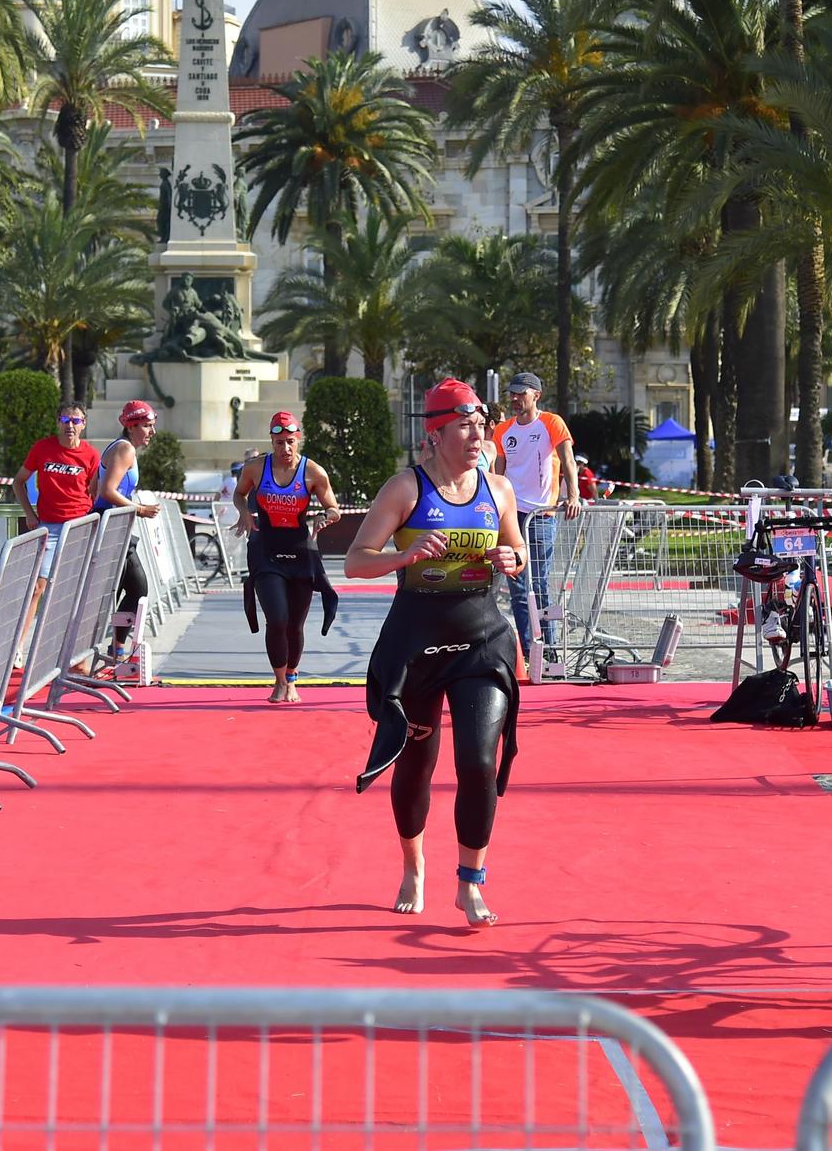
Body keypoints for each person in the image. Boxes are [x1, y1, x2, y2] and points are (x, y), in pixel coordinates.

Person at [347, 379, 527, 929]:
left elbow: (517, 548)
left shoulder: (498, 490)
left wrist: (510, 558)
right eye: (466, 426)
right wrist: (405, 557)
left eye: (481, 425)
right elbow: (356, 561)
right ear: (437, 432)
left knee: (478, 762)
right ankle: (413, 863)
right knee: (417, 765)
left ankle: (470, 882)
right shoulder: (406, 488)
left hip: (481, 638)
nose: (478, 435)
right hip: (417, 642)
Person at [235, 410, 342, 703]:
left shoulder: (313, 472)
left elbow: (334, 507)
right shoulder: (256, 468)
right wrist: (244, 512)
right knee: (277, 618)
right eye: (279, 442)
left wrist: (324, 516)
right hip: (265, 550)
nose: (285, 448)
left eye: (290, 442)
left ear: (299, 440)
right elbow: (239, 493)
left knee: (295, 624)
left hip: (300, 552)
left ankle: (292, 678)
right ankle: (279, 680)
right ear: (272, 441)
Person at [491, 372, 579, 660]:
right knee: (517, 584)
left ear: (536, 395)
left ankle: (550, 649)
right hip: (512, 514)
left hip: (541, 515)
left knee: (539, 583)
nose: (515, 399)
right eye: (512, 394)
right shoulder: (503, 430)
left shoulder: (551, 423)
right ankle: (529, 651)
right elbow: (498, 474)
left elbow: (568, 461)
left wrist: (573, 496)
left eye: (521, 393)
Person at [92, 401, 163, 663]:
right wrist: (139, 508)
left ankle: (117, 648)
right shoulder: (124, 449)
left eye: (152, 426)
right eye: (147, 426)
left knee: (137, 587)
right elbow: (107, 490)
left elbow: (94, 486)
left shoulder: (121, 447)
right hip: (110, 527)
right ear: (131, 426)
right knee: (117, 591)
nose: (152, 432)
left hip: (117, 527)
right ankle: (102, 650)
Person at [16, 403, 101, 587]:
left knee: (73, 585)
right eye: (65, 420)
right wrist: (29, 514)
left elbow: (97, 491)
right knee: (38, 585)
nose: (70, 425)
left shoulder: (92, 455)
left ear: (83, 424)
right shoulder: (42, 448)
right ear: (58, 423)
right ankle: (30, 617)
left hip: (80, 526)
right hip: (49, 527)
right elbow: (18, 482)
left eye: (75, 420)